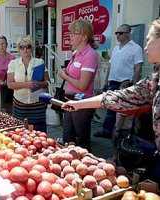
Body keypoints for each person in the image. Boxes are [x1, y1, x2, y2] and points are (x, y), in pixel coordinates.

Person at [61, 19, 160, 182]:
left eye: (149, 40)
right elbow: (120, 96)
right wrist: (77, 105)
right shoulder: (154, 79)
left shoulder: (91, 55)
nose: (145, 46)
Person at [95, 24, 143, 138]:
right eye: (116, 33)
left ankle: (121, 135)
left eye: (120, 33)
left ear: (128, 33)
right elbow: (111, 66)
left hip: (125, 83)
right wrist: (106, 81)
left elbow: (138, 67)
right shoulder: (116, 48)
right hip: (113, 81)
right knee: (110, 107)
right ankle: (107, 131)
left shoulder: (136, 48)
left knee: (123, 111)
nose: (117, 35)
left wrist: (134, 85)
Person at [58, 19, 99, 150]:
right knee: (67, 137)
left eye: (74, 33)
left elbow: (83, 85)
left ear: (84, 36)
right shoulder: (75, 53)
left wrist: (65, 76)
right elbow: (74, 73)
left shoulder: (90, 55)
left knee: (81, 142)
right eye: (70, 33)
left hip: (81, 102)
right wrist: (67, 72)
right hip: (70, 99)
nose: (70, 36)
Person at [7, 36, 49, 132]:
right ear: (19, 49)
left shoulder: (39, 62)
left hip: (37, 104)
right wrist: (27, 84)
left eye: (28, 47)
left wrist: (38, 83)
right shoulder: (13, 63)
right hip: (20, 104)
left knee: (39, 133)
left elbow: (47, 82)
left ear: (32, 48)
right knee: (20, 132)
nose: (25, 49)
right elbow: (10, 84)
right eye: (22, 47)